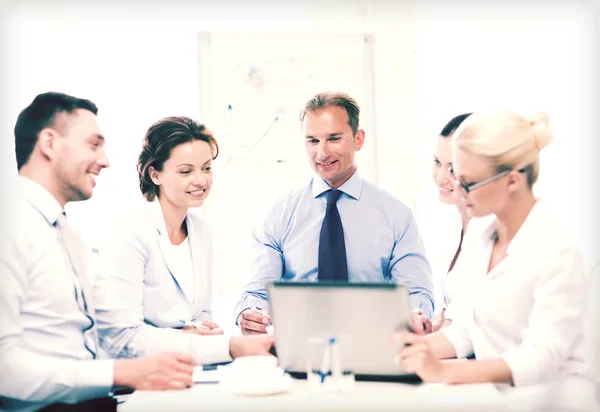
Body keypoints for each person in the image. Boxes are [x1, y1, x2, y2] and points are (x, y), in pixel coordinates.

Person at [0, 92, 274, 412]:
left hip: (94, 403)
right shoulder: (10, 226)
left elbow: (124, 336)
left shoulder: (68, 238)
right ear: (49, 144)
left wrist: (235, 346)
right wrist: (122, 372)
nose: (105, 160)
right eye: (93, 144)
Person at [394, 111, 598, 411]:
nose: (458, 192)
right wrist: (403, 351)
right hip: (496, 395)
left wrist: (445, 372)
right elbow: (466, 329)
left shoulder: (556, 253)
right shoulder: (484, 240)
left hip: (553, 399)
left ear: (512, 181)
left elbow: (541, 356)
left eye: (468, 183)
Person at [235, 91, 433, 335]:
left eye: (334, 138)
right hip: (299, 348)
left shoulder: (396, 216)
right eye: (313, 141)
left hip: (375, 344)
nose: (322, 153)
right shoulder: (278, 215)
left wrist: (416, 316)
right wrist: (251, 314)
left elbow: (416, 293)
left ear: (358, 139)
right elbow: (256, 294)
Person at [101, 117, 222, 335]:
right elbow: (119, 333)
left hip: (191, 358)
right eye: (186, 171)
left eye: (206, 168)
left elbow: (202, 312)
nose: (201, 181)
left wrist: (205, 329)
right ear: (155, 174)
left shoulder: (202, 231)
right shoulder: (130, 232)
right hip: (145, 362)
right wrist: (185, 335)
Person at [413, 113, 475, 334]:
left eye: (452, 168)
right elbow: (453, 314)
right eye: (437, 162)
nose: (440, 177)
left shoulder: (494, 234)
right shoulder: (452, 226)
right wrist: (432, 325)